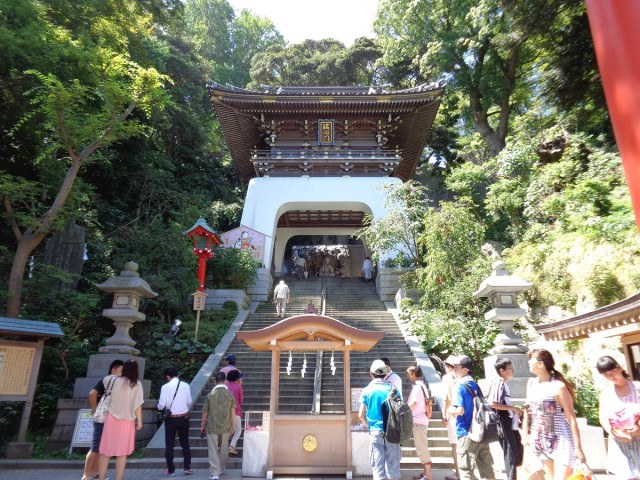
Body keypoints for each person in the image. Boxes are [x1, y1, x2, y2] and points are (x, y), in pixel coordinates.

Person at [523, 349, 585, 480]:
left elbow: (571, 418)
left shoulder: (558, 386)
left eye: (531, 359)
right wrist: (525, 434)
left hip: (561, 439)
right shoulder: (531, 383)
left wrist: (578, 447)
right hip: (541, 439)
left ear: (540, 364)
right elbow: (528, 410)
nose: (528, 362)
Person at [447, 355, 495, 480]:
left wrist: (449, 409)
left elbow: (460, 410)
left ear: (465, 369)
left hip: (466, 432)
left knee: (465, 470)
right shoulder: (476, 386)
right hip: (481, 432)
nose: (454, 370)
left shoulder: (461, 386)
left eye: (456, 367)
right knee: (487, 469)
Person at [97, 359, 144, 480]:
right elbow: (138, 405)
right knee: (122, 453)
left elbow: (106, 379)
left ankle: (101, 478)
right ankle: (118, 479)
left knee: (105, 452)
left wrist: (121, 374)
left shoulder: (111, 380)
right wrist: (139, 421)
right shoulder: (136, 384)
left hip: (111, 419)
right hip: (127, 421)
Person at [596, 355, 640, 479]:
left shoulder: (637, 388)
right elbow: (603, 418)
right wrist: (614, 433)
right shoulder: (606, 394)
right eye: (607, 375)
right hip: (620, 441)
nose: (611, 377)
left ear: (620, 368)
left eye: (613, 372)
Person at [358, 359, 401, 480]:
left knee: (378, 468)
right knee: (393, 467)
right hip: (392, 432)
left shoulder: (367, 390)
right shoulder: (393, 390)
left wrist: (369, 426)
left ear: (371, 374)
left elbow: (360, 415)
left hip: (375, 431)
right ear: (385, 374)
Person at [82, 360, 124, 480]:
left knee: (102, 448)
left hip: (110, 418)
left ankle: (95, 473)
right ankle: (85, 475)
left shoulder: (118, 383)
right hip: (103, 417)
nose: (123, 374)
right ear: (113, 370)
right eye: (121, 371)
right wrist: (95, 408)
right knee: (96, 447)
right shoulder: (107, 380)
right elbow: (92, 393)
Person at [488, 358, 523, 480]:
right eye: (510, 368)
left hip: (507, 421)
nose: (513, 370)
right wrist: (513, 408)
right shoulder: (499, 383)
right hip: (503, 421)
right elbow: (493, 403)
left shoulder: (503, 383)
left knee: (516, 449)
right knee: (511, 453)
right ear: (502, 371)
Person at [158, 367, 193, 476]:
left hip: (171, 419)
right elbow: (189, 401)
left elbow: (161, 405)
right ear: (177, 375)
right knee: (185, 443)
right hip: (184, 418)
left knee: (169, 444)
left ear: (168, 377)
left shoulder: (165, 387)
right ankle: (187, 468)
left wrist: (158, 407)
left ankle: (171, 470)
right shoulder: (186, 385)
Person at [201, 372, 236, 480]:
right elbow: (233, 411)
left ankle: (214, 473)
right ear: (225, 381)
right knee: (224, 448)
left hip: (212, 425)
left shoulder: (210, 395)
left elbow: (205, 412)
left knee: (213, 449)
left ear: (215, 382)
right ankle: (220, 469)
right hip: (226, 424)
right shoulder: (230, 394)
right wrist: (233, 425)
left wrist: (203, 424)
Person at [406, 364, 432, 480]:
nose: (407, 376)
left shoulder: (417, 387)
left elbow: (413, 403)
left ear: (413, 374)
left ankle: (428, 475)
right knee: (421, 446)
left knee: (421, 447)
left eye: (408, 373)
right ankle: (425, 473)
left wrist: (404, 411)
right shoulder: (422, 385)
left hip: (418, 420)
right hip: (421, 420)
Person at [442, 355, 461, 480]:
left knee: (455, 446)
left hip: (452, 413)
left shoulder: (447, 378)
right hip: (463, 413)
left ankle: (459, 474)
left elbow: (446, 398)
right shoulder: (462, 377)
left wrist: (444, 415)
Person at [226, 369, 244, 456]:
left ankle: (224, 448)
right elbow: (241, 400)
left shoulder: (225, 386)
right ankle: (232, 446)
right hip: (236, 411)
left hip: (225, 411)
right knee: (238, 430)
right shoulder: (239, 387)